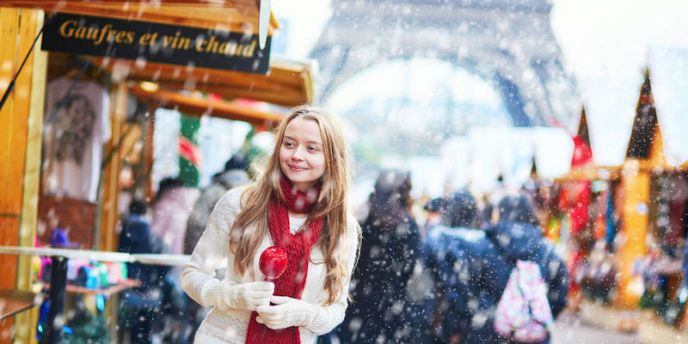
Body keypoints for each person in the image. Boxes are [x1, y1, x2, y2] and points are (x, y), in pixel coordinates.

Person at [181, 105, 361, 344]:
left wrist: (301, 313)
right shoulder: (240, 204)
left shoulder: (341, 225)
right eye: (289, 144)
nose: (297, 155)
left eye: (311, 148)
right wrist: (231, 295)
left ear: (331, 158)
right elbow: (193, 275)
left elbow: (335, 309)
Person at [424, 193, 568, 343]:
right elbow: (560, 297)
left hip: (485, 334)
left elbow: (462, 292)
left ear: (500, 214)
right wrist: (530, 316)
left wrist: (453, 330)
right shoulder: (548, 252)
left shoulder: (481, 246)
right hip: (531, 337)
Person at [336, 169, 424, 343]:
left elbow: (342, 259)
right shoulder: (408, 226)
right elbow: (410, 272)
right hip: (389, 308)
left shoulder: (359, 217)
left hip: (354, 301)